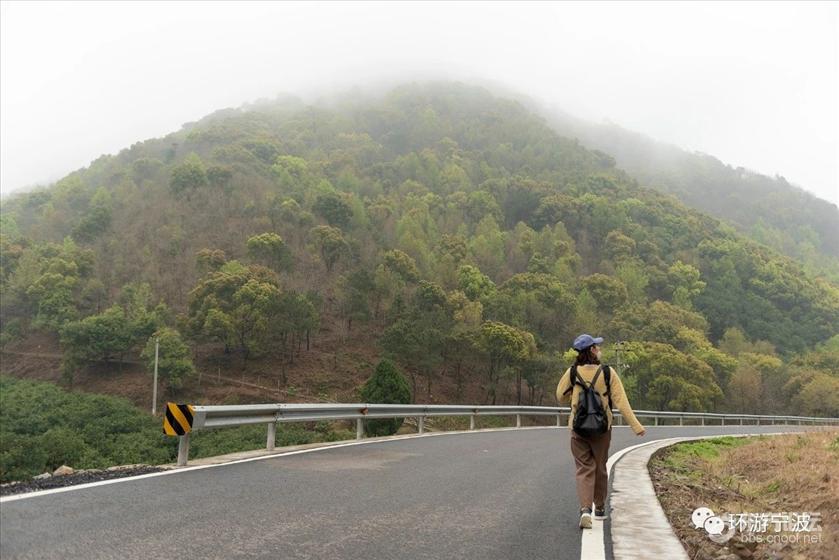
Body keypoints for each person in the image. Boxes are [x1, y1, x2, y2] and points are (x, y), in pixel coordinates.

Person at [556, 334, 646, 529]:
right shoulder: (608, 373)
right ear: (591, 351)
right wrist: (636, 426)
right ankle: (599, 508)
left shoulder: (572, 372)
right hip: (602, 430)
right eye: (597, 346)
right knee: (600, 467)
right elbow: (621, 402)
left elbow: (559, 396)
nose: (599, 349)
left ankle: (585, 510)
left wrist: (575, 393)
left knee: (583, 469)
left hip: (578, 429)